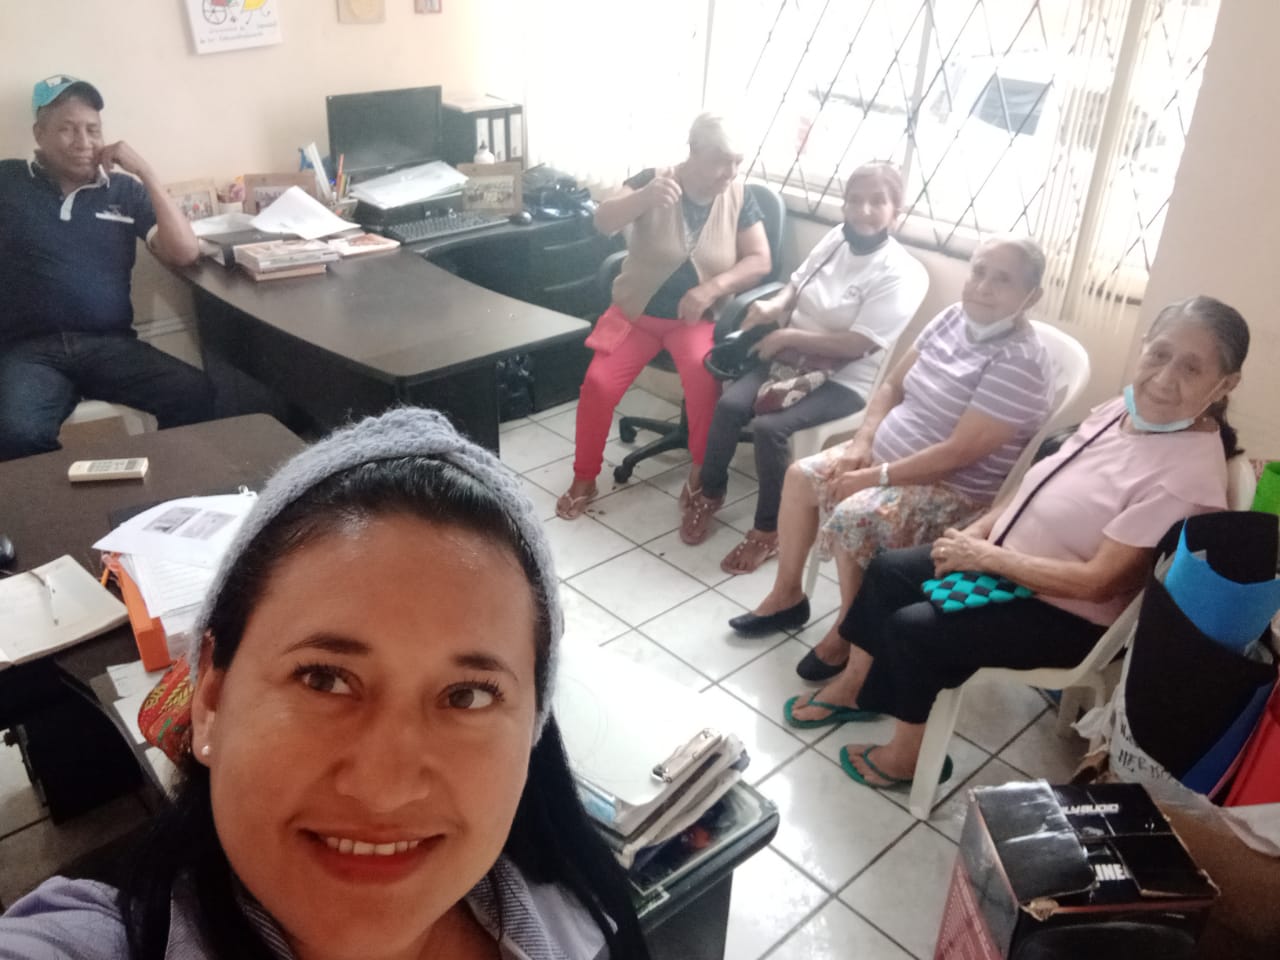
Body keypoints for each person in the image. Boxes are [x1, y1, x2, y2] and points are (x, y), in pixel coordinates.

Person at [0, 408, 650, 960]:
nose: (384, 788)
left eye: (468, 694)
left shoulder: (579, 924)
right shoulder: (89, 942)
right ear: (211, 700)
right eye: (324, 678)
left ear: (532, 728)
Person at [783, 296, 1248, 794]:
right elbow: (1037, 483)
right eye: (1159, 354)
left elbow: (1098, 583)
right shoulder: (1127, 410)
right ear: (1144, 347)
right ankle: (856, 688)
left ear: (1225, 384)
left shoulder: (1186, 478)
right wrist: (979, 532)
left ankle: (906, 758)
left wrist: (985, 557)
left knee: (914, 629)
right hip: (1006, 563)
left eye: (1191, 368)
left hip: (1064, 612)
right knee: (888, 571)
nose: (1164, 378)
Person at [729, 236, 1056, 684]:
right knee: (801, 476)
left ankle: (849, 632)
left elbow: (958, 453)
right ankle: (788, 596)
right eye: (979, 271)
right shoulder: (951, 317)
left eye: (1003, 280)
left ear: (1031, 296)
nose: (983, 286)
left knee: (856, 516)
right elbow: (891, 387)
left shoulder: (1020, 362)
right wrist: (862, 443)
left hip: (953, 489)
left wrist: (874, 477)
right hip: (883, 458)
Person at [680, 162, 929, 574]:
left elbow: (859, 344)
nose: (863, 210)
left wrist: (786, 337)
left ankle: (769, 530)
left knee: (770, 429)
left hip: (843, 379)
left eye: (877, 202)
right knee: (729, 406)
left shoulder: (901, 272)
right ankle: (710, 493)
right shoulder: (836, 239)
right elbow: (796, 284)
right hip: (789, 360)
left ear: (896, 211)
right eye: (855, 200)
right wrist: (774, 306)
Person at [556, 112, 772, 520]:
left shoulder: (739, 196)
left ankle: (700, 476)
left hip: (694, 321)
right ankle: (585, 476)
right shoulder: (653, 180)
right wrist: (643, 199)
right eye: (720, 161)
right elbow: (602, 221)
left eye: (738, 162)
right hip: (634, 315)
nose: (730, 172)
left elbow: (760, 260)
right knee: (598, 384)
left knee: (704, 383)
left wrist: (711, 289)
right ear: (692, 151)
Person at [0, 74, 212, 462]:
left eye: (92, 129)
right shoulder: (8, 181)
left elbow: (184, 253)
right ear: (39, 134)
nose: (83, 141)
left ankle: (168, 487)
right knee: (17, 433)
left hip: (109, 345)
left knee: (194, 393)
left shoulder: (123, 190)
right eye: (67, 129)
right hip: (29, 351)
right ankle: (56, 500)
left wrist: (146, 173)